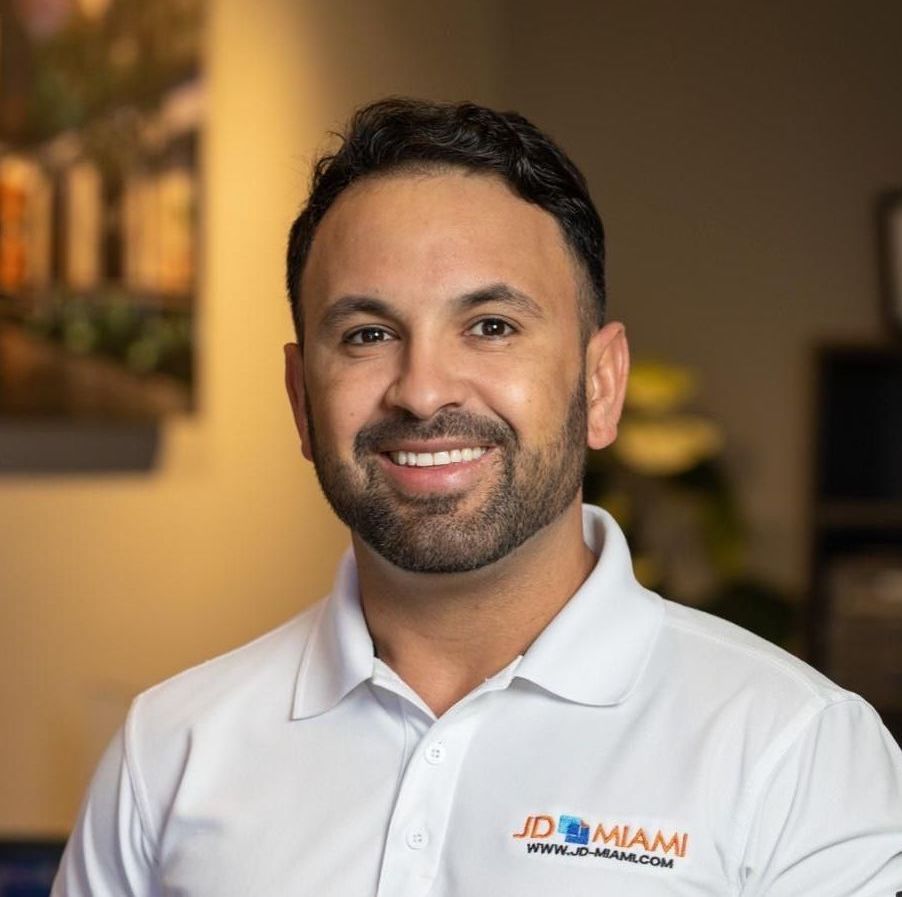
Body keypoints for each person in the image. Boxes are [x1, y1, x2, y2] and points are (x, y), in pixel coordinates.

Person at [53, 98, 902, 897]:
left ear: (601, 383)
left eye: (491, 326)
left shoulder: (798, 750)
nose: (422, 391)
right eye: (367, 335)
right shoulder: (168, 752)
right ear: (299, 398)